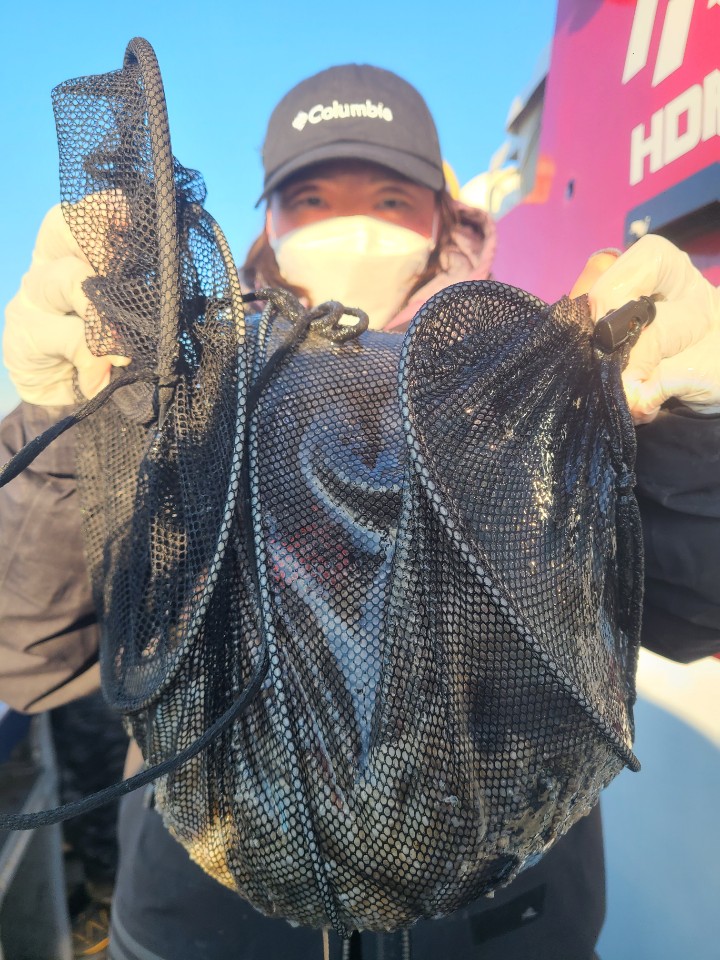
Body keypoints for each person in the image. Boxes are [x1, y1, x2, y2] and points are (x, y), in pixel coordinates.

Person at [1, 63, 719, 960]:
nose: (351, 226)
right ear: (269, 222)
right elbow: (31, 652)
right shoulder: (184, 391)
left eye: (389, 200)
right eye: (310, 198)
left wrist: (697, 431)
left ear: (443, 222)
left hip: (508, 927)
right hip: (202, 923)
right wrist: (65, 421)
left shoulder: (533, 390)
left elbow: (695, 608)